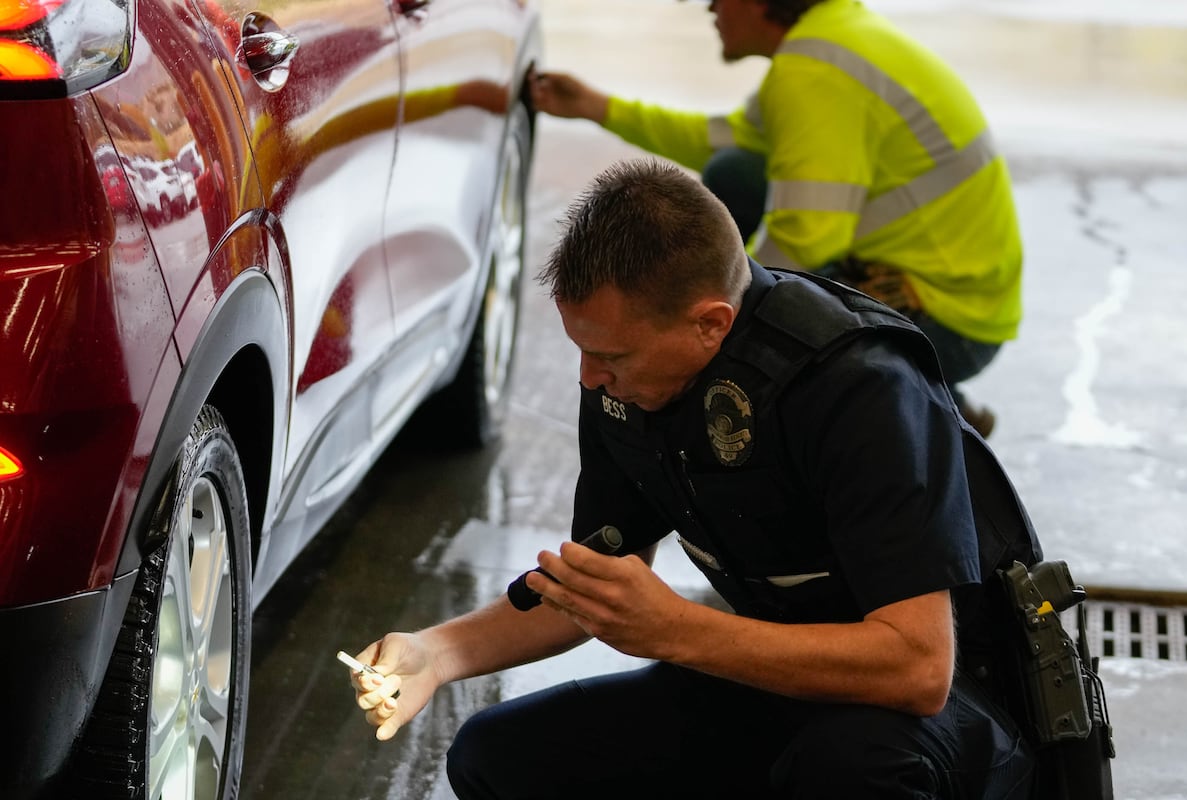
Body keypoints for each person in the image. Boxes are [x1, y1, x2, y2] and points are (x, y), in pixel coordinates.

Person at [348, 159, 1042, 799]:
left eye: (610, 354)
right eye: (582, 350)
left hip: (950, 711)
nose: (589, 378)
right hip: (775, 673)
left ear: (711, 324)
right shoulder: (628, 385)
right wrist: (435, 653)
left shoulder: (859, 387)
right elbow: (589, 590)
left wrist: (679, 631)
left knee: (850, 771)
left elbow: (919, 669)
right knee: (497, 755)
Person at [529, 0, 1023, 438]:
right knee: (736, 173)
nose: (709, 10)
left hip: (948, 318)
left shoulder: (816, 71)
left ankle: (923, 404)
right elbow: (722, 141)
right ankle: (945, 403)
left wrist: (706, 314)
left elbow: (804, 241)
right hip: (958, 290)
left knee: (743, 339)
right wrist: (599, 108)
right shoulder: (831, 36)